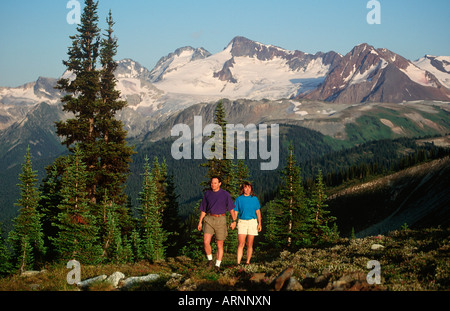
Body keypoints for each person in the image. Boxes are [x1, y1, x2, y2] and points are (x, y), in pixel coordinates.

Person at [198, 176, 237, 271]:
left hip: (221, 219)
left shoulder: (225, 194)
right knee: (206, 241)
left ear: (219, 183)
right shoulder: (207, 194)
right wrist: (200, 222)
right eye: (212, 183)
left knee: (220, 244)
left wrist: (234, 221)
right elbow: (203, 209)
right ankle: (210, 260)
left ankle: (217, 265)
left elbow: (231, 209)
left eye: (215, 183)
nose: (213, 185)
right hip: (209, 219)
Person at [233, 181, 262, 265]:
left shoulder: (254, 199)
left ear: (251, 189)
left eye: (249, 188)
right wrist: (234, 221)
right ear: (243, 189)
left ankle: (247, 262)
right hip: (242, 222)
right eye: (246, 187)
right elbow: (235, 212)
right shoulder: (239, 199)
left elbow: (258, 212)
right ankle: (238, 263)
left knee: (249, 244)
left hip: (252, 222)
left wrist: (259, 223)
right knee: (241, 243)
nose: (247, 189)